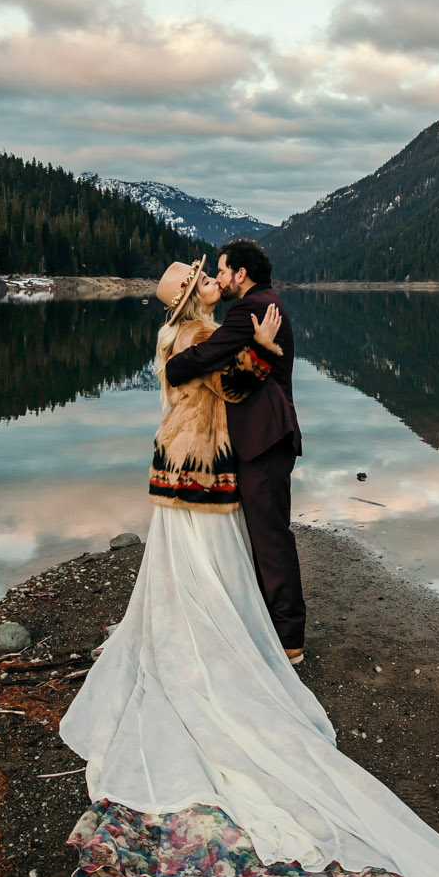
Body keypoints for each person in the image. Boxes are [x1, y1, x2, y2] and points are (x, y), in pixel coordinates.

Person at [56, 258, 439, 877]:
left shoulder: (212, 328)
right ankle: (205, 632)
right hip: (191, 467)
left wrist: (257, 349)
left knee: (215, 558)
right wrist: (254, 344)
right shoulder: (181, 337)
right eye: (199, 277)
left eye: (212, 272)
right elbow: (189, 374)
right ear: (182, 297)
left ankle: (221, 626)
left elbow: (234, 388)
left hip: (209, 468)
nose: (210, 278)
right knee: (192, 556)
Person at [163, 240, 305, 662]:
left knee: (270, 537)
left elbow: (207, 362)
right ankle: (270, 624)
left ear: (241, 273)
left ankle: (289, 639)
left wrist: (174, 365)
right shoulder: (259, 304)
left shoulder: (249, 310)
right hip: (261, 438)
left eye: (221, 271)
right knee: (262, 535)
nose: (220, 279)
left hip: (264, 438)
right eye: (213, 276)